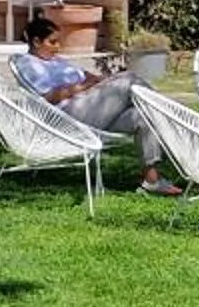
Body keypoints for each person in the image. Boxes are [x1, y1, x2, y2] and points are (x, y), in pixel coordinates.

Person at [11, 15, 183, 197]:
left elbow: (87, 76)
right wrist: (86, 87)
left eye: (58, 42)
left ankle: (151, 179)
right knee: (129, 80)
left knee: (143, 116)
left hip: (91, 109)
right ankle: (174, 117)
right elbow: (49, 97)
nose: (57, 47)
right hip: (69, 118)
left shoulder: (56, 61)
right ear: (36, 41)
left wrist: (104, 81)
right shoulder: (28, 63)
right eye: (52, 42)